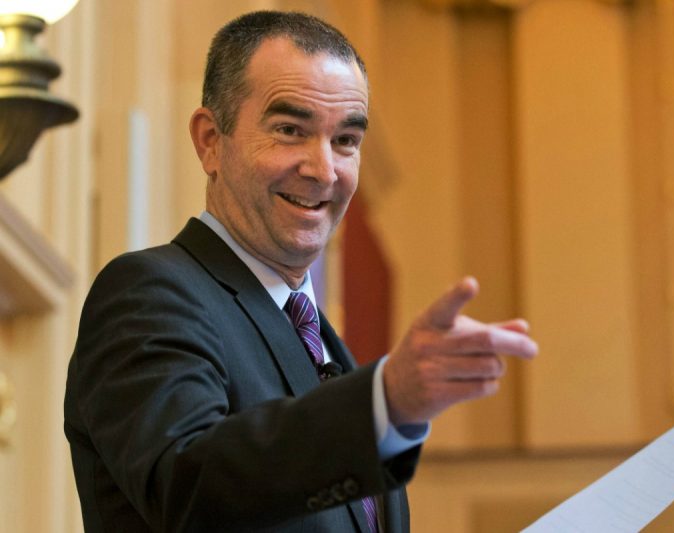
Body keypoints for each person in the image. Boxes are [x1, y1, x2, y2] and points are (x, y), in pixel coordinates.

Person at [64, 10, 538, 533]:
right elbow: (186, 485)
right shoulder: (150, 293)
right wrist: (384, 402)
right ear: (210, 141)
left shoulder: (327, 346)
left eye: (346, 140)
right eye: (290, 130)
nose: (324, 170)